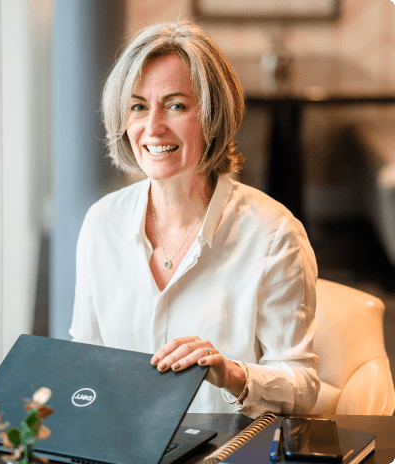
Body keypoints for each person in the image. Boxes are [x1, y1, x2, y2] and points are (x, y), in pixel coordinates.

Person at [69, 21, 320, 419]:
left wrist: (232, 374)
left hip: (225, 452)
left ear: (212, 115)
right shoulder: (101, 223)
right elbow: (84, 356)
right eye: (138, 107)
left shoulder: (274, 235)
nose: (152, 128)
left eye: (176, 105)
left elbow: (303, 386)